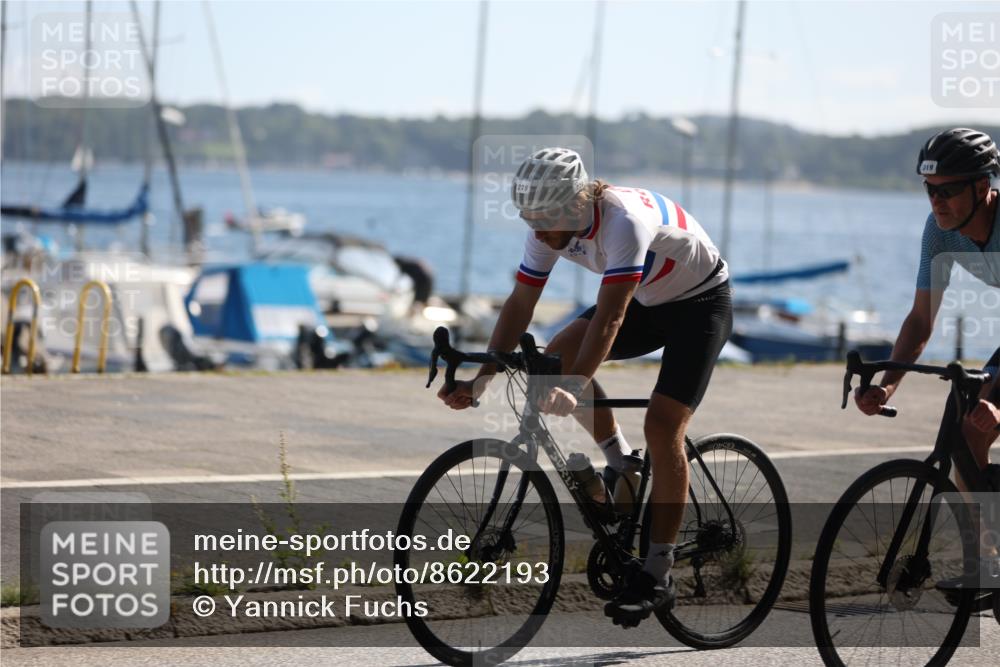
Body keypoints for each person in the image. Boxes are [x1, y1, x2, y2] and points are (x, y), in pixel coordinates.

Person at [437, 147, 733, 626]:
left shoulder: (623, 222)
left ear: (577, 204)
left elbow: (612, 317)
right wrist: (482, 379)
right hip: (647, 298)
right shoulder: (548, 226)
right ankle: (623, 466)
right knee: (550, 364)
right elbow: (519, 303)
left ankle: (658, 572)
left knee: (662, 427)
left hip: (699, 303)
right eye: (529, 221)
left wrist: (576, 385)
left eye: (545, 221)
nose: (538, 233)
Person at [855, 128, 1000, 531]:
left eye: (948, 190)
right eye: (929, 190)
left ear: (982, 187)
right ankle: (986, 569)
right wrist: (887, 385)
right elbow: (920, 319)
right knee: (970, 435)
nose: (937, 201)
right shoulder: (939, 231)